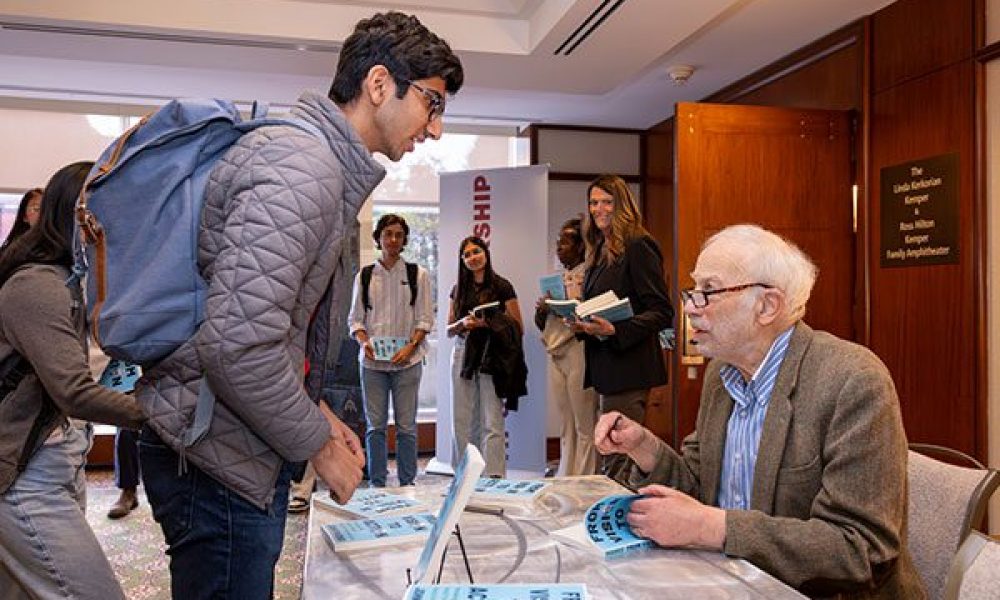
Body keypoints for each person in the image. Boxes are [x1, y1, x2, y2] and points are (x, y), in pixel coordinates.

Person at [135, 11, 463, 599]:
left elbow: (274, 327)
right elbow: (237, 346)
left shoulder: (312, 163)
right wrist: (317, 443)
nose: (434, 129)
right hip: (218, 458)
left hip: (226, 443)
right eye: (432, 103)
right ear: (380, 84)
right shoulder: (302, 167)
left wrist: (317, 409)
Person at [595, 224, 926, 599]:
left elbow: (860, 550)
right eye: (693, 291)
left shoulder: (852, 380)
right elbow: (699, 485)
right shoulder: (721, 374)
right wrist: (644, 446)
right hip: (732, 583)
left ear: (767, 306)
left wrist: (714, 528)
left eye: (709, 292)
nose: (689, 307)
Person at [0, 161, 146, 600]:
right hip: (23, 473)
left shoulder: (75, 281)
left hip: (60, 457)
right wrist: (161, 415)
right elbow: (74, 391)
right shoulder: (37, 286)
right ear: (80, 216)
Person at [568, 174, 673, 483]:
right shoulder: (599, 249)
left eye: (606, 202)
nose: (599, 209)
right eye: (593, 203)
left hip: (630, 367)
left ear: (622, 205)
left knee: (618, 457)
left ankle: (620, 522)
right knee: (612, 455)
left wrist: (616, 330)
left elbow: (662, 311)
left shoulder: (638, 245)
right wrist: (582, 323)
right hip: (606, 369)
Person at [348, 214, 433, 487]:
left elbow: (424, 319)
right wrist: (364, 342)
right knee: (375, 428)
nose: (393, 239)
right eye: (388, 234)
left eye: (398, 234)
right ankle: (377, 484)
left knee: (407, 427)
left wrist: (410, 347)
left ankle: (408, 483)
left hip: (408, 363)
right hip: (372, 365)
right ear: (379, 238)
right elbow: (355, 320)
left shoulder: (417, 275)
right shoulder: (364, 276)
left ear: (404, 239)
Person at [446, 236, 524, 478]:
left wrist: (489, 321)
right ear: (462, 260)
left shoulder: (503, 286)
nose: (472, 257)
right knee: (462, 420)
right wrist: (464, 323)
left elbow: (518, 326)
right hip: (463, 353)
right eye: (467, 254)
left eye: (476, 251)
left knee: (492, 420)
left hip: (493, 355)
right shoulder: (459, 289)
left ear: (486, 252)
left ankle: (494, 478)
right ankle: (464, 476)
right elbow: (449, 329)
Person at [534, 217, 599, 476]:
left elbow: (595, 314)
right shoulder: (558, 278)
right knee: (566, 421)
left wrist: (575, 305)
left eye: (566, 241)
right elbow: (541, 323)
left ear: (582, 246)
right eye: (558, 241)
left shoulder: (592, 276)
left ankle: (585, 478)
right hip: (555, 349)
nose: (559, 246)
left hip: (580, 349)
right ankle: (566, 475)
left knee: (585, 423)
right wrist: (543, 309)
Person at [1, 188, 42, 252]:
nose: (43, 214)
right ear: (24, 216)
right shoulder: (13, 250)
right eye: (37, 209)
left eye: (48, 210)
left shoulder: (59, 247)